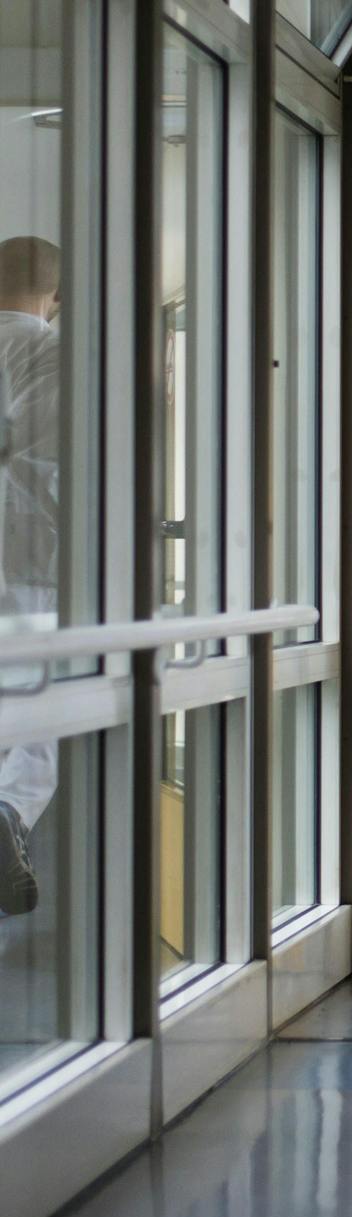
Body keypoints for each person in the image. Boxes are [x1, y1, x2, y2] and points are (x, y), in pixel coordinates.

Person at [0, 237, 62, 918]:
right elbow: (54, 471)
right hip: (28, 567)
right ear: (58, 296)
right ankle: (9, 811)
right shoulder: (54, 353)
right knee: (34, 713)